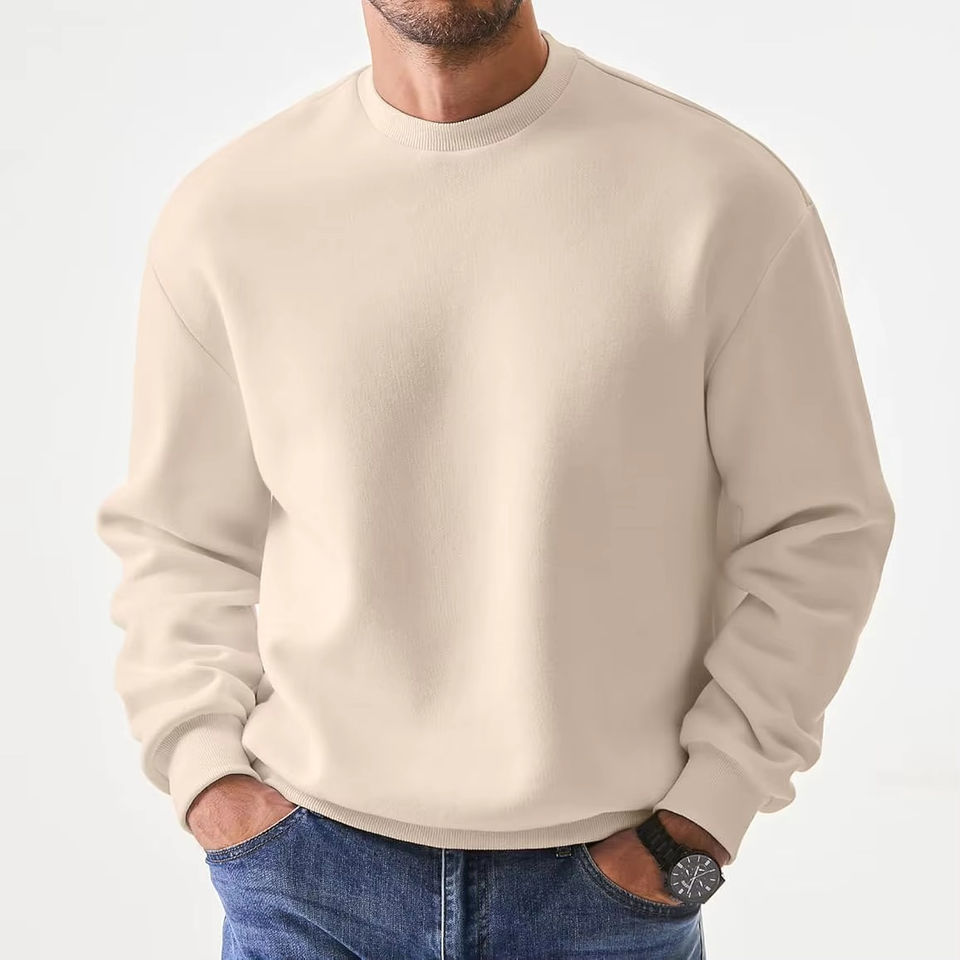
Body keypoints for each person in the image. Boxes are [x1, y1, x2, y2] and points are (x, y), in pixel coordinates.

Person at [94, 2, 896, 957]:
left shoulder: (723, 198)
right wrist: (210, 781)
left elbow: (822, 531)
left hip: (609, 895)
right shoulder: (230, 216)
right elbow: (179, 540)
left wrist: (701, 826)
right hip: (307, 884)